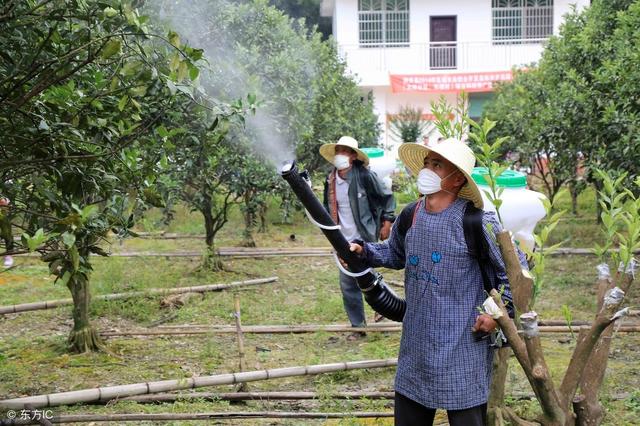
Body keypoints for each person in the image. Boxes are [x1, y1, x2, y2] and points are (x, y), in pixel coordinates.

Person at [348, 138, 524, 425]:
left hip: (463, 343)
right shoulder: (412, 213)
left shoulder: (476, 222)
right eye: (427, 163)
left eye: (437, 165)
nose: (427, 170)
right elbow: (394, 253)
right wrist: (364, 252)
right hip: (417, 344)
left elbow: (516, 272)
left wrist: (495, 314)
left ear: (457, 180)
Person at [320, 136, 396, 340]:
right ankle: (358, 327)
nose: (340, 155)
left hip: (363, 235)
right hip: (341, 237)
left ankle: (384, 306)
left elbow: (386, 197)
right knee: (348, 281)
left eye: (345, 151)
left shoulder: (364, 176)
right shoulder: (331, 180)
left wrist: (387, 222)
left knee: (366, 275)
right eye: (338, 150)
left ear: (353, 156)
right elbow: (326, 208)